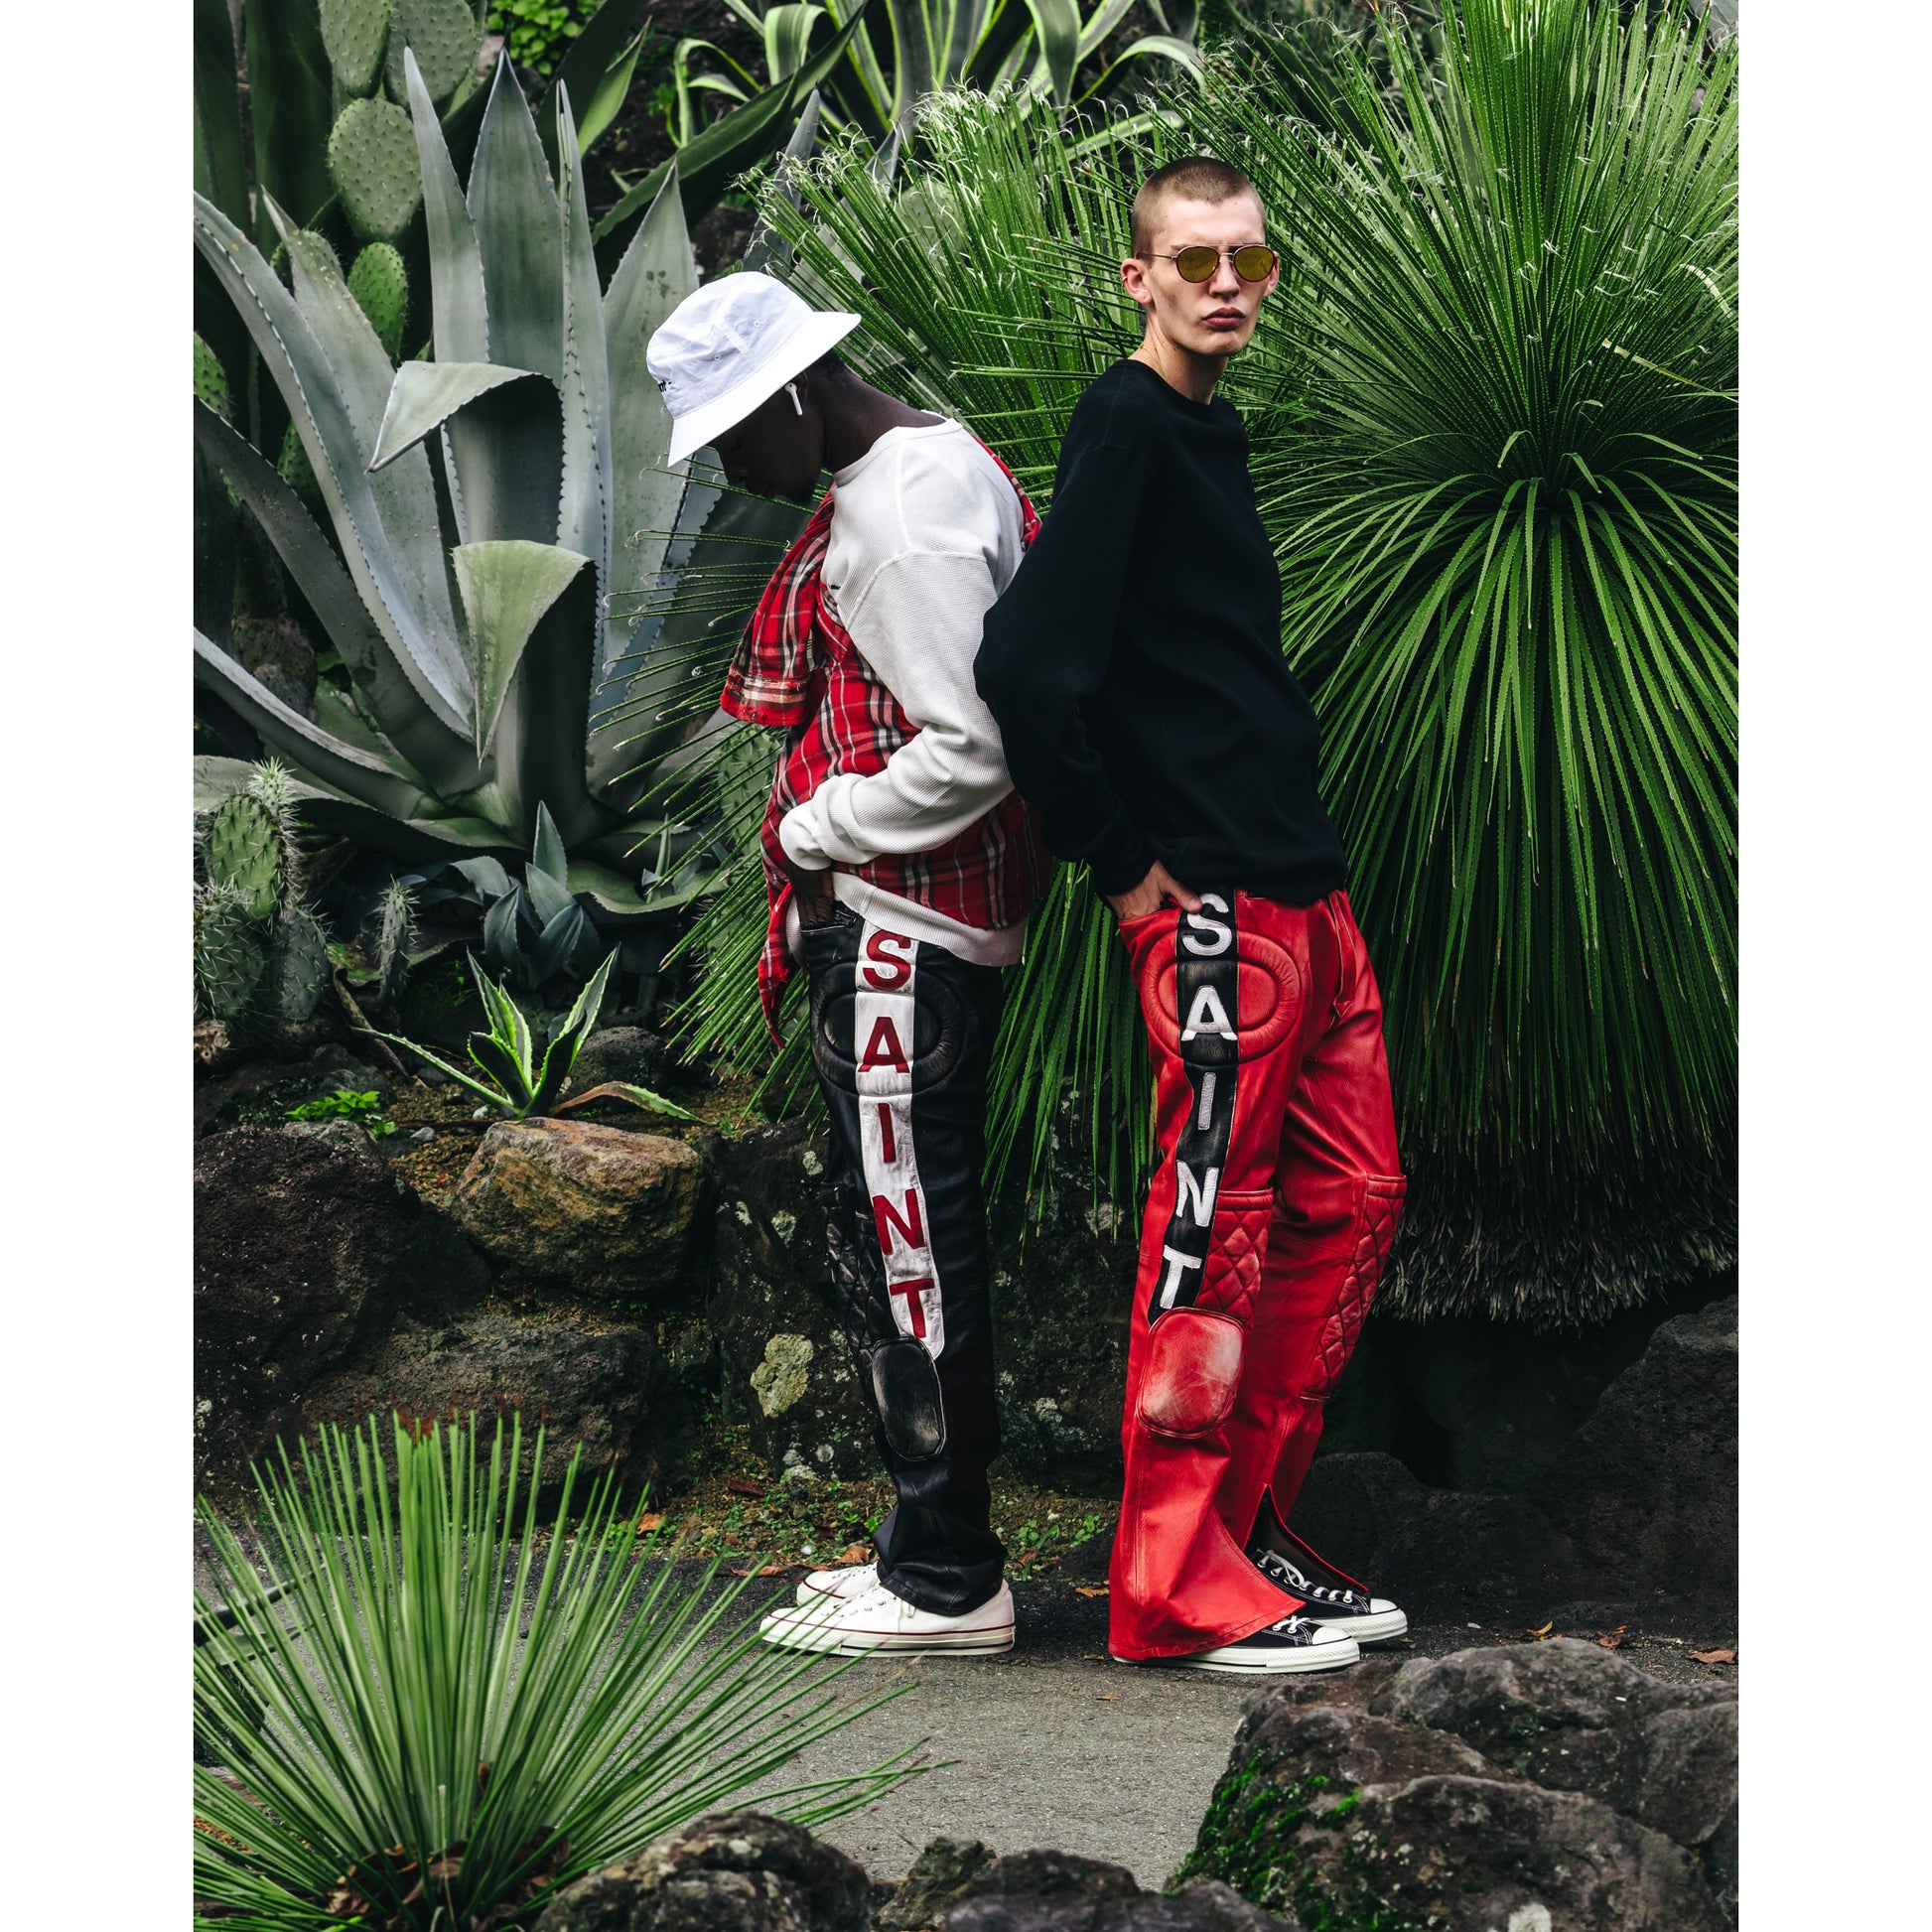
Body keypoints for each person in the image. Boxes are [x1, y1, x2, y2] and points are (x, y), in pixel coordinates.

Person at [975, 158, 1410, 1675]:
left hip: (1302, 889)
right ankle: (1167, 1581)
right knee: (1207, 1234)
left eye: (1249, 260)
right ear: (1138, 278)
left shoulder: (1204, 432)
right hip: (1215, 907)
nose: (1227, 284)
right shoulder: (1128, 421)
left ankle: (1244, 1530)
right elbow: (1025, 663)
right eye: (1194, 260)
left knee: (1352, 1200)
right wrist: (1114, 859)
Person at [646, 272, 1049, 1659]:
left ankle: (946, 1577)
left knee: (913, 1249)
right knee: (902, 1231)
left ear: (793, 396)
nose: (730, 477)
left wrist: (810, 829)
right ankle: (918, 1544)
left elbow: (972, 747)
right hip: (917, 928)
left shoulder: (898, 525)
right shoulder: (924, 464)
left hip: (900, 933)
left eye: (730, 440)